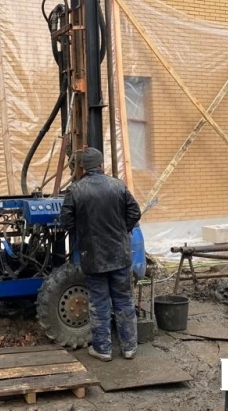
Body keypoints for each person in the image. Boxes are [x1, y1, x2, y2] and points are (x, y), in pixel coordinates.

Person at [60, 147, 141, 361]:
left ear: (82, 168)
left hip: (93, 256)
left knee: (99, 302)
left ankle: (103, 349)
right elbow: (135, 212)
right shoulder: (118, 186)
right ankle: (129, 347)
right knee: (124, 300)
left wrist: (83, 231)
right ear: (101, 165)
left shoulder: (75, 190)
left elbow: (66, 223)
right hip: (120, 255)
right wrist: (123, 230)